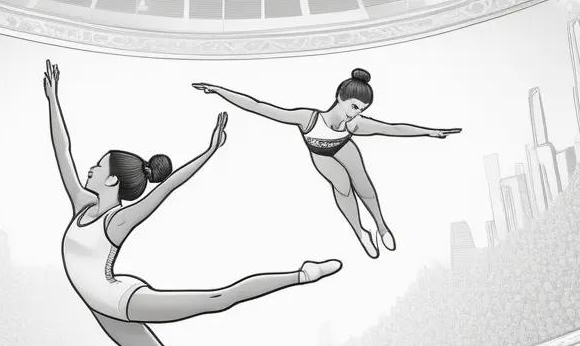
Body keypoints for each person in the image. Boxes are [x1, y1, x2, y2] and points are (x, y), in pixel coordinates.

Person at [45, 61, 341, 346]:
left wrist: (209, 152)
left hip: (119, 300)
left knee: (218, 299)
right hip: (100, 306)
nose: (89, 169)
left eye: (98, 166)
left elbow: (168, 187)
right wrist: (53, 99)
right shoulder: (81, 202)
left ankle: (302, 274)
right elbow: (63, 152)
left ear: (112, 181)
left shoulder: (118, 221)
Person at [193, 70, 461, 257]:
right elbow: (260, 107)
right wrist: (220, 91)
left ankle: (381, 225)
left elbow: (393, 129)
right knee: (342, 186)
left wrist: (429, 131)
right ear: (340, 98)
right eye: (354, 106)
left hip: (344, 146)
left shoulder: (354, 124)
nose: (357, 113)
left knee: (362, 182)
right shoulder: (308, 118)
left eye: (361, 110)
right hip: (320, 151)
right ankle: (361, 232)